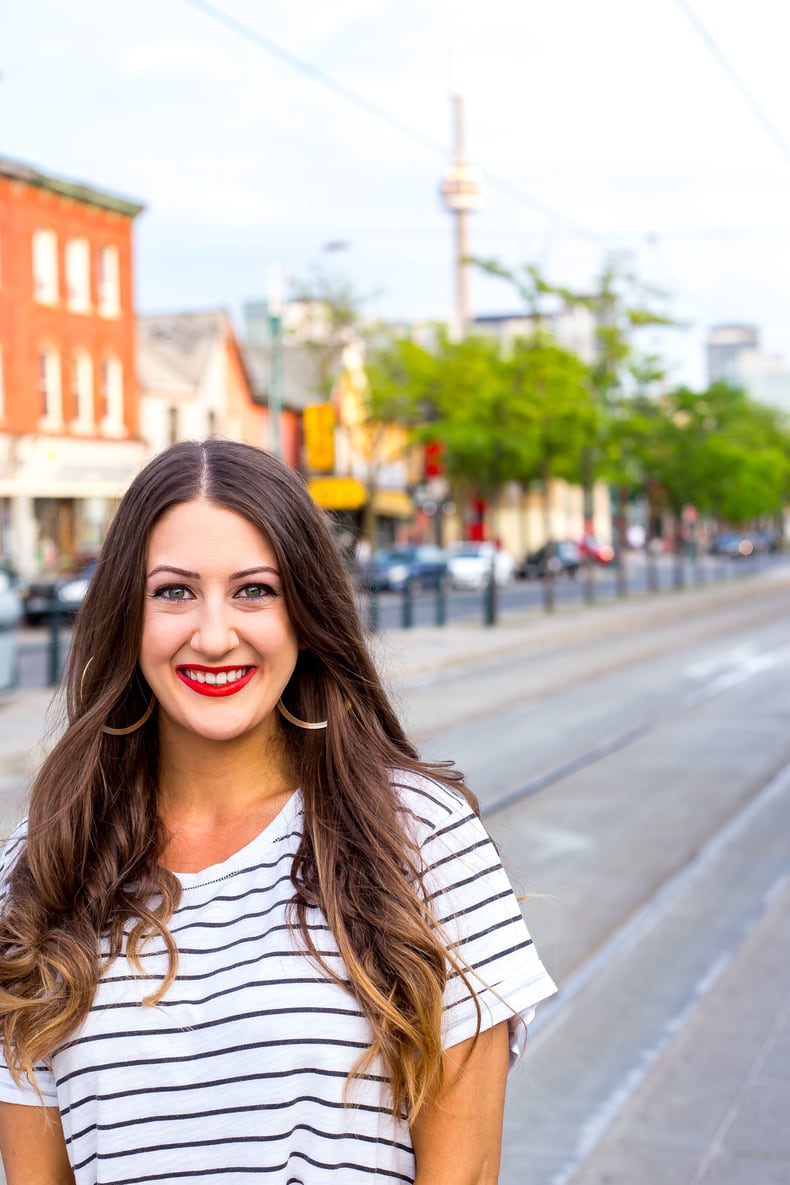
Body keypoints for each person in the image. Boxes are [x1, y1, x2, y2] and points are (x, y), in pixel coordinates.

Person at [0, 439, 555, 1184]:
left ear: (305, 610)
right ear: (126, 615)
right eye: (174, 591)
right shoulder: (42, 868)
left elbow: (467, 1171)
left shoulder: (421, 837)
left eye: (254, 589)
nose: (215, 633)